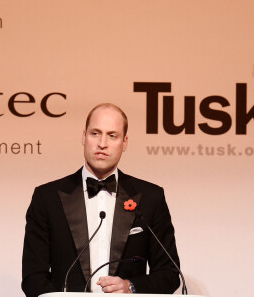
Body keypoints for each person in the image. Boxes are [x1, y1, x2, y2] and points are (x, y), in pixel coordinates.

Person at [22, 103, 180, 297]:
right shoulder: (47, 197)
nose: (102, 143)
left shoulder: (150, 198)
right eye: (95, 133)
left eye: (112, 135)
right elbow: (33, 277)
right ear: (83, 137)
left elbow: (169, 274)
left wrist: (130, 286)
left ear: (125, 142)